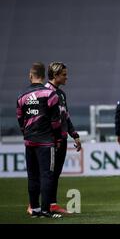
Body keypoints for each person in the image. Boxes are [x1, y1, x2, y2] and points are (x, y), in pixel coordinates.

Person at [16, 62, 63, 218]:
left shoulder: (21, 96)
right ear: (43, 76)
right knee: (47, 175)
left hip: (29, 141)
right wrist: (56, 139)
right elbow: (56, 122)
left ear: (30, 75)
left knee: (32, 175)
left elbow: (20, 119)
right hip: (46, 142)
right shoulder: (50, 95)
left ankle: (35, 209)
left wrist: (27, 134)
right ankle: (45, 210)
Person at [40, 62, 82, 215]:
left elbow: (66, 117)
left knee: (55, 173)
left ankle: (52, 204)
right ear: (55, 75)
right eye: (64, 74)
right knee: (47, 173)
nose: (66, 77)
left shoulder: (61, 94)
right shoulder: (44, 93)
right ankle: (37, 204)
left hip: (62, 139)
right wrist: (53, 138)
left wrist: (75, 136)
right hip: (50, 140)